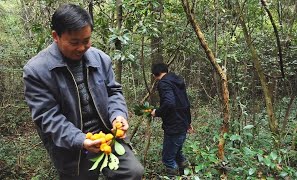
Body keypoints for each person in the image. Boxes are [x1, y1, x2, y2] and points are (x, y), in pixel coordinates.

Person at [23, 4, 144, 180]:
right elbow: (47, 117)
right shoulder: (36, 71)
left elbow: (113, 91)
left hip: (106, 136)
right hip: (72, 147)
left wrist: (118, 115)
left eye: (86, 41)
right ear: (56, 36)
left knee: (133, 172)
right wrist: (81, 141)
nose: (82, 47)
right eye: (74, 42)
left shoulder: (100, 59)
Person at [150, 63, 193, 176]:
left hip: (174, 126)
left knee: (168, 158)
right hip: (182, 123)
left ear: (155, 74)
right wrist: (188, 122)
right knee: (177, 153)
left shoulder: (164, 83)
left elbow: (169, 103)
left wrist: (157, 112)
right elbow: (185, 103)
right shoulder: (177, 81)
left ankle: (173, 177)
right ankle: (186, 175)